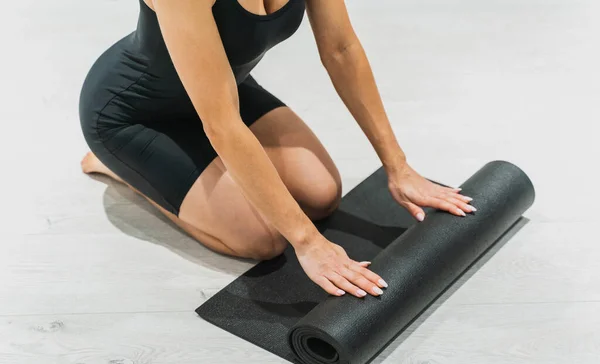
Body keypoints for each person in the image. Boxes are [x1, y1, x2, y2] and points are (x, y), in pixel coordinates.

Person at [79, 0, 475, 299]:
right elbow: (221, 124)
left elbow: (341, 50)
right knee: (263, 240)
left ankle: (205, 168)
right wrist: (308, 243)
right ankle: (120, 166)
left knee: (321, 195)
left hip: (222, 91)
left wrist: (398, 166)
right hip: (134, 116)